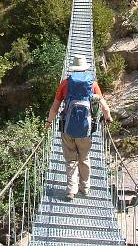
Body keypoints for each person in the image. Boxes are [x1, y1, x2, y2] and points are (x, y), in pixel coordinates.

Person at [45, 54, 112, 200]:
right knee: (84, 158)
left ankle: (71, 190)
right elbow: (104, 107)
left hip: (67, 129)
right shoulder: (92, 84)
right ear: (85, 69)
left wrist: (49, 122)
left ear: (73, 69)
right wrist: (108, 118)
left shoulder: (65, 83)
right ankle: (85, 188)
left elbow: (54, 108)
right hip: (85, 130)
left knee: (71, 160)